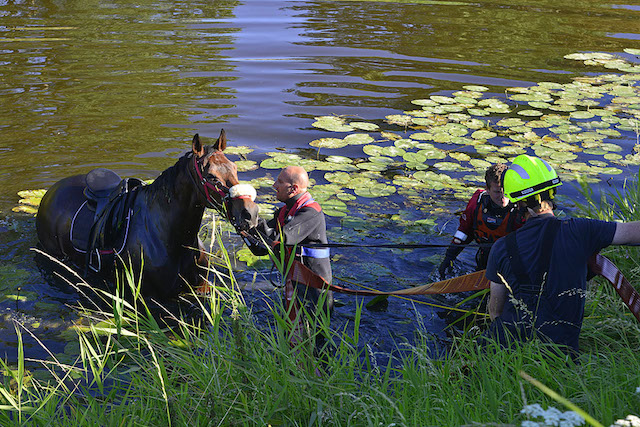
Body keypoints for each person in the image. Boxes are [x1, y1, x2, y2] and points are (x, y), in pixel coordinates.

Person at [484, 154, 640, 356]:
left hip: (506, 352)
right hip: (562, 354)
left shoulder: (501, 247)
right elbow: (631, 234)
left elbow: (495, 311)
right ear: (552, 193)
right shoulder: (582, 230)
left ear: (518, 203)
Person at [248, 166, 334, 317]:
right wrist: (244, 224)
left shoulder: (310, 213)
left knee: (315, 333)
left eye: (280, 182)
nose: (274, 185)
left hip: (314, 289)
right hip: (295, 282)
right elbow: (261, 248)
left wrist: (253, 216)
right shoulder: (283, 212)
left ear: (293, 189)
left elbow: (278, 239)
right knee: (291, 330)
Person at [438, 163, 526, 278]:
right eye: (498, 192)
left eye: (507, 191)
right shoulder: (477, 204)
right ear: (487, 189)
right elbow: (464, 232)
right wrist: (449, 257)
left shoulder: (520, 210)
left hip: (511, 265)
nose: (503, 197)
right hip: (484, 259)